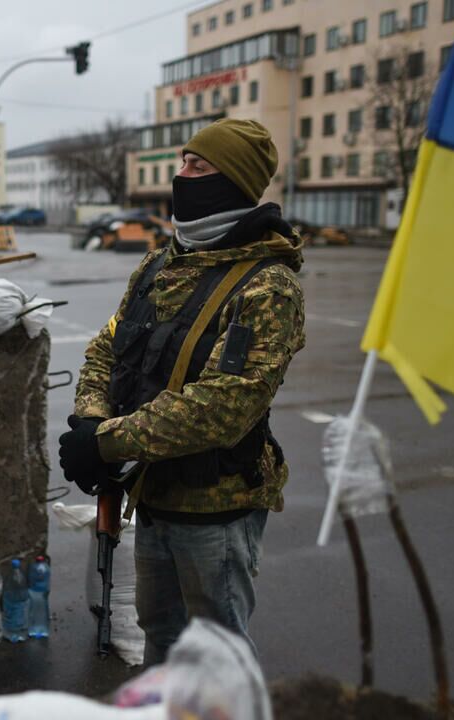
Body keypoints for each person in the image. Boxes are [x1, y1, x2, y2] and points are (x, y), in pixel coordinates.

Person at [57, 118, 305, 664]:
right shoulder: (160, 263)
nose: (181, 174)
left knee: (216, 656)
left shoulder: (267, 285)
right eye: (183, 162)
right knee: (161, 639)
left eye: (198, 166)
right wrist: (90, 421)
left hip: (216, 510)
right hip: (156, 495)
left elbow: (221, 407)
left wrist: (107, 442)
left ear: (233, 182)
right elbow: (108, 348)